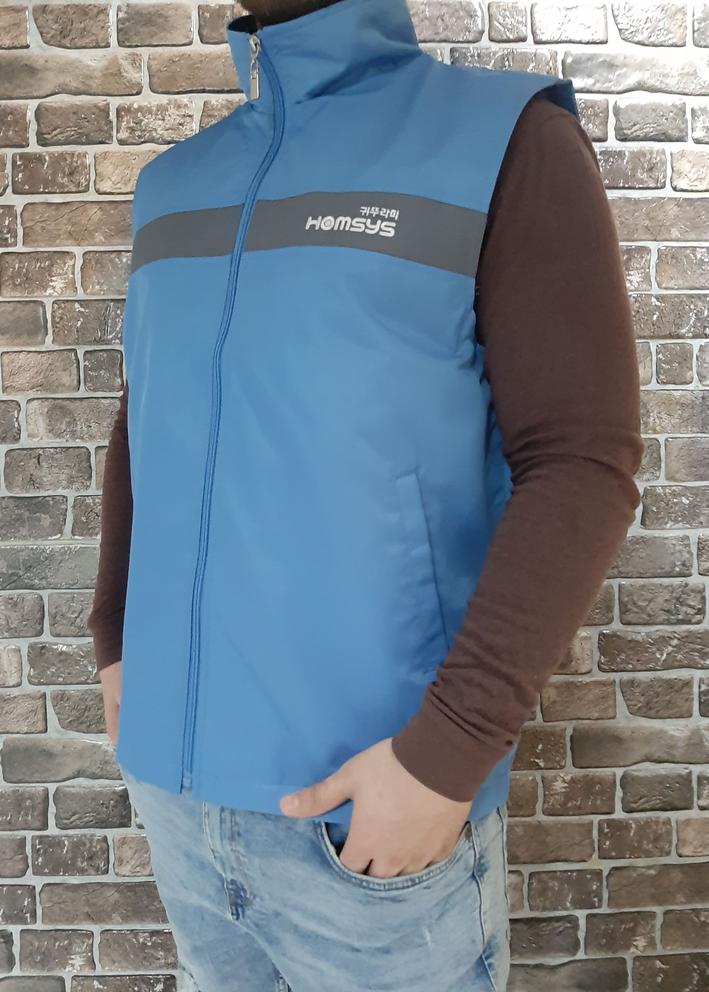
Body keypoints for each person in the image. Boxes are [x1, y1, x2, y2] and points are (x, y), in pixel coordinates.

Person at [87, 0, 644, 988]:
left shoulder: (505, 139)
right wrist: (113, 635)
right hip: (178, 805)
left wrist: (447, 753)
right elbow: (148, 415)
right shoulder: (172, 184)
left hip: (371, 822)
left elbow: (580, 459)